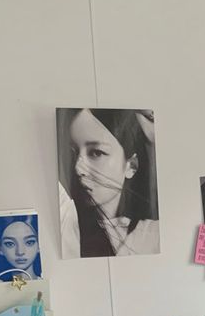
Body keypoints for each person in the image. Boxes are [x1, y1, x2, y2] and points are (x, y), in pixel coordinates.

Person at [57, 108, 159, 258]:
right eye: (74, 153)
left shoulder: (155, 236)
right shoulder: (67, 226)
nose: (78, 168)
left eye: (96, 153)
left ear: (131, 165)